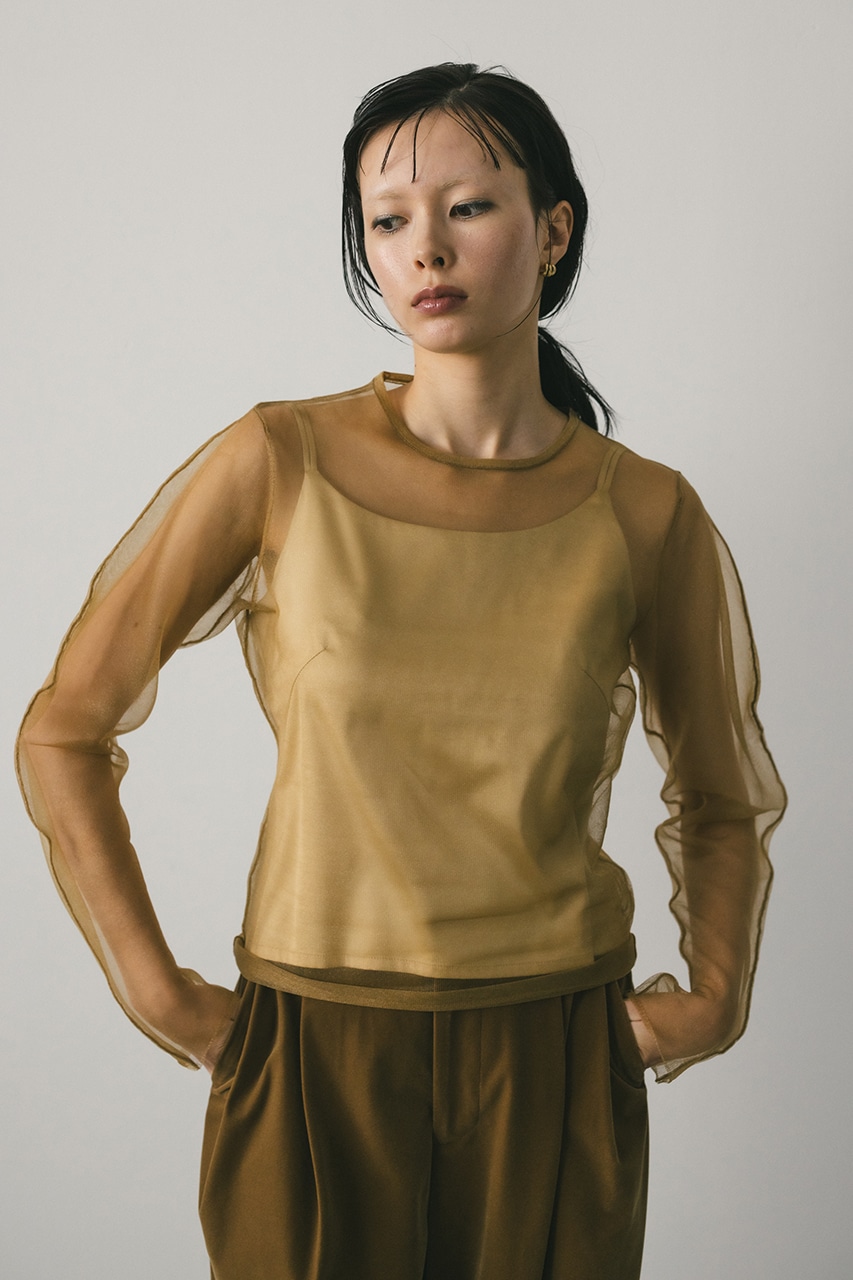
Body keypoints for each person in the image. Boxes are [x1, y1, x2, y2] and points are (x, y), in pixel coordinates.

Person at [16, 62, 786, 1280]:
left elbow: (721, 790)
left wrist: (714, 992)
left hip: (553, 1045)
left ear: (553, 230)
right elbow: (63, 731)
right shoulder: (278, 458)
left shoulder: (644, 511)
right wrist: (160, 993)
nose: (424, 247)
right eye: (386, 220)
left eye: (467, 206)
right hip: (312, 1039)